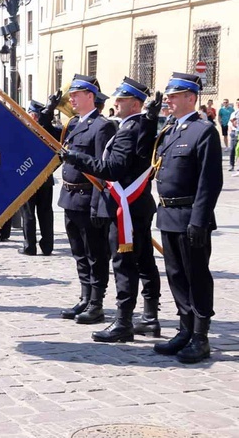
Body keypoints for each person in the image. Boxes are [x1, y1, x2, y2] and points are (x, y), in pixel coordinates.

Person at [62, 77, 163, 343]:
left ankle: (123, 322)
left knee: (124, 263)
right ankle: (150, 317)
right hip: (132, 205)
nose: (115, 102)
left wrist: (75, 157)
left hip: (124, 207)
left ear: (135, 104)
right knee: (143, 261)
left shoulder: (130, 128)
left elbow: (113, 168)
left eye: (122, 99)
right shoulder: (134, 124)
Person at [141, 73, 222, 364]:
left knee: (196, 275)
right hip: (167, 214)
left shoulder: (203, 131)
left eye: (174, 97)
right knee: (175, 274)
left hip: (190, 215)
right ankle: (184, 328)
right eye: (169, 97)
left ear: (191, 98)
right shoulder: (170, 131)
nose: (169, 102)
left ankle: (200, 335)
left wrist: (199, 220)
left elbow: (209, 181)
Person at [58, 74, 117, 324]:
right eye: (71, 94)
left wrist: (97, 203)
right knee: (79, 253)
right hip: (69, 197)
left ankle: (96, 302)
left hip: (86, 197)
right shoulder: (73, 124)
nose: (70, 98)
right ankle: (84, 297)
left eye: (76, 94)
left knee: (96, 254)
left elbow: (102, 169)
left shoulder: (102, 126)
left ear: (90, 96)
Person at [19, 98, 61, 256]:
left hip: (28, 179)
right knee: (45, 213)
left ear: (33, 116)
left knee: (28, 214)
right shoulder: (50, 131)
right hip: (45, 178)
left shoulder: (24, 131)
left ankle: (29, 246)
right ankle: (47, 245)